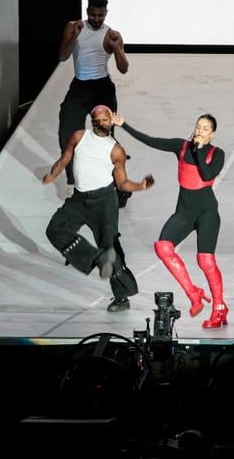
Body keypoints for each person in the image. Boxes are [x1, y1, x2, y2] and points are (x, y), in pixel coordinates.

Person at [112, 112, 228, 328]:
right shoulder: (180, 146)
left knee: (205, 261)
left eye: (205, 129)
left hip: (207, 213)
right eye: (198, 126)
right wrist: (123, 125)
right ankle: (193, 293)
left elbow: (205, 175)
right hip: (184, 212)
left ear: (212, 134)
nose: (199, 131)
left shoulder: (217, 154)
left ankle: (219, 307)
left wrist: (199, 150)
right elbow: (151, 140)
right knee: (163, 247)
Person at [43, 105, 154, 312]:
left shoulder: (116, 151)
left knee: (109, 246)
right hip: (78, 198)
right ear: (91, 120)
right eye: (98, 120)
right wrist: (52, 174)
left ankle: (122, 296)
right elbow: (64, 159)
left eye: (106, 120)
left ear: (111, 121)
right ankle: (96, 259)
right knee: (55, 229)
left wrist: (140, 186)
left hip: (103, 201)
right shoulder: (78, 137)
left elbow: (122, 184)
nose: (102, 123)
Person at [58, 0, 132, 206]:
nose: (96, 19)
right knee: (67, 132)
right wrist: (73, 36)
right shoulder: (73, 27)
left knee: (105, 139)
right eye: (93, 14)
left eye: (100, 15)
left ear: (106, 13)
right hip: (79, 87)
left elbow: (124, 68)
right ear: (87, 11)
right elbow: (62, 56)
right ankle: (75, 183)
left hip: (102, 90)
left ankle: (118, 185)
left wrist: (117, 48)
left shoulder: (112, 35)